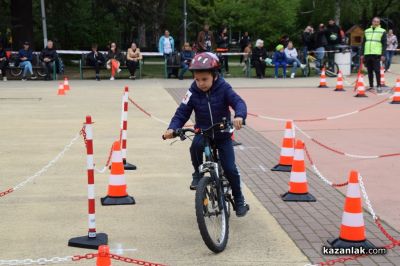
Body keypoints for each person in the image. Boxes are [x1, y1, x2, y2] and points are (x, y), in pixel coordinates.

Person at [163, 52, 249, 217]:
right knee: (195, 146)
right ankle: (198, 172)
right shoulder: (193, 91)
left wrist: (239, 115)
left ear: (214, 75)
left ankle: (239, 199)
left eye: (205, 79)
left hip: (223, 133)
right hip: (204, 131)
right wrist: (172, 128)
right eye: (197, 79)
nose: (201, 83)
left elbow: (238, 102)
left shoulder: (223, 87)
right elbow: (182, 112)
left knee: (230, 169)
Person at [361, 17, 387, 92]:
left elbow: (384, 44)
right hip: (367, 53)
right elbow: (363, 43)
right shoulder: (366, 31)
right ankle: (371, 86)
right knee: (369, 70)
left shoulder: (382, 31)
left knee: (377, 70)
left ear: (379, 23)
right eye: (374, 21)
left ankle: (378, 85)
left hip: (377, 54)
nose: (376, 23)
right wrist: (362, 54)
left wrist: (383, 54)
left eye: (377, 22)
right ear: (372, 22)